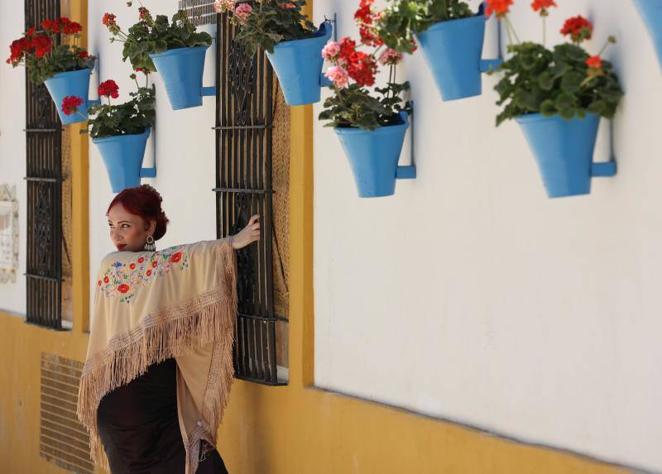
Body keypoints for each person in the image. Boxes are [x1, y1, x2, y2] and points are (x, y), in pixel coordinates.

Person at [76, 185, 260, 474]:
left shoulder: (162, 275)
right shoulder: (113, 265)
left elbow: (176, 268)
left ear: (149, 227)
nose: (116, 235)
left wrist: (229, 246)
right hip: (127, 407)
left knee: (204, 465)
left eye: (126, 225)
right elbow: (175, 262)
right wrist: (228, 244)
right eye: (111, 226)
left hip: (160, 404)